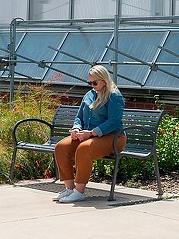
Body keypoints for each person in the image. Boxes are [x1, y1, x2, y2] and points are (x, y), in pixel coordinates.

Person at [52, 65, 125, 203]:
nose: (92, 85)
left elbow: (114, 122)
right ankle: (69, 189)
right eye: (90, 82)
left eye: (95, 83)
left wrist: (92, 133)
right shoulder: (89, 94)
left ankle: (79, 191)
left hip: (113, 137)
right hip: (88, 135)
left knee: (84, 148)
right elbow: (79, 116)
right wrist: (76, 128)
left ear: (104, 80)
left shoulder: (114, 96)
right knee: (60, 147)